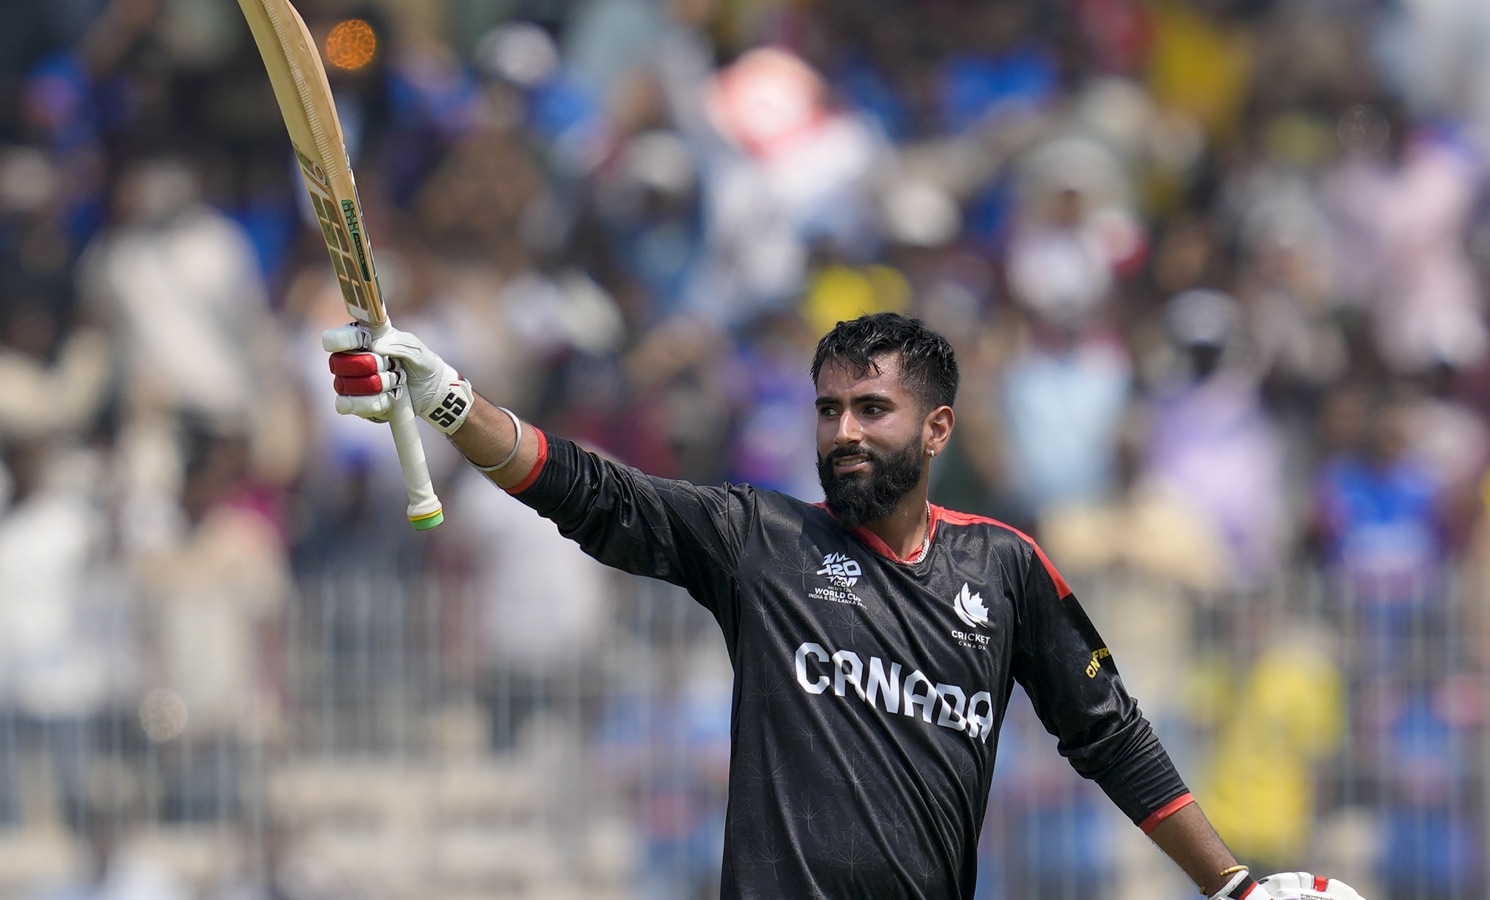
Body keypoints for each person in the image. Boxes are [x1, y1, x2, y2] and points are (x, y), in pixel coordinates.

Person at [320, 310, 1360, 900]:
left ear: (937, 428)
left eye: (873, 408)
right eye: (828, 409)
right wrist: (450, 404)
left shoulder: (1004, 570)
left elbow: (1111, 736)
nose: (844, 431)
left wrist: (1229, 885)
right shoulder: (760, 543)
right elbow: (589, 490)